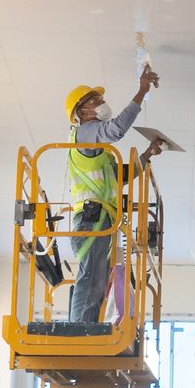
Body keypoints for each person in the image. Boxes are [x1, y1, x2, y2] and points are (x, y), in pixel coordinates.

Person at [64, 63, 159, 326]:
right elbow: (116, 130)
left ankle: (86, 328)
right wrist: (141, 92)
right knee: (91, 278)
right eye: (97, 100)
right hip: (91, 221)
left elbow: (122, 178)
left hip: (101, 221)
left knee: (96, 281)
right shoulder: (85, 133)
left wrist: (147, 154)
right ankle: (80, 331)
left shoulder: (100, 152)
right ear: (82, 111)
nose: (103, 103)